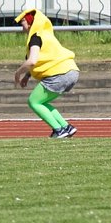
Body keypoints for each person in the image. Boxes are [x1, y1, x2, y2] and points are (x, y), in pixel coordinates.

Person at [13, 8, 79, 138]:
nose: (22, 27)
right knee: (41, 102)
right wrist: (27, 75)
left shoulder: (35, 37)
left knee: (34, 102)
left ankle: (59, 130)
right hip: (72, 71)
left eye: (23, 23)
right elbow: (44, 57)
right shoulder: (45, 34)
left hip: (59, 73)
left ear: (30, 22)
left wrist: (18, 73)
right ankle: (66, 127)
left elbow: (32, 61)